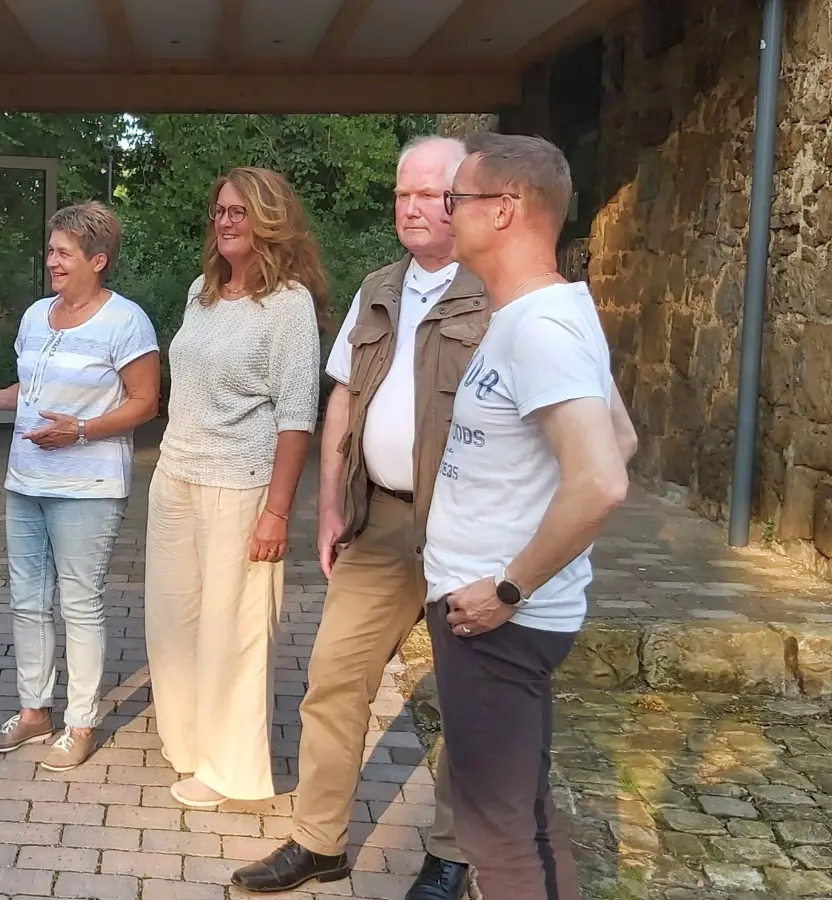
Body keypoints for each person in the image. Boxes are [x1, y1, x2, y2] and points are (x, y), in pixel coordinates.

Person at [232, 136, 481, 898]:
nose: (410, 207)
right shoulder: (380, 287)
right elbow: (342, 394)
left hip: (471, 528)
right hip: (382, 522)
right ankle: (319, 842)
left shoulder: (499, 293)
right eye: (402, 194)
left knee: (468, 697)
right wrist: (332, 503)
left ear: (465, 199)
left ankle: (452, 855)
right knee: (334, 677)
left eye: (427, 193)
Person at [424, 132, 634, 900]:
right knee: (519, 818)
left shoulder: (541, 327)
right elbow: (622, 435)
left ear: (504, 209)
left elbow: (602, 479)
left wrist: (509, 587)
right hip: (488, 608)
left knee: (499, 835)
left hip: (497, 619)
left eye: (455, 199)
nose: (444, 214)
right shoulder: (541, 314)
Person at [0, 202, 160, 771]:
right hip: (26, 480)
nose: (52, 262)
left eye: (64, 253)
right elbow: (33, 387)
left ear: (98, 259)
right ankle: (34, 711)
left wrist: (82, 430)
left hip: (87, 486)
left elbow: (146, 401)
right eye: (50, 251)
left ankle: (81, 722)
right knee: (27, 601)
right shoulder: (37, 316)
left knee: (79, 604)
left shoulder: (126, 321)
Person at [144, 167, 323, 810]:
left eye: (238, 211)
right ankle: (189, 744)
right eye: (219, 210)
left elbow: (297, 416)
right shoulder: (202, 291)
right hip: (175, 475)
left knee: (234, 631)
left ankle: (231, 770)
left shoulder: (290, 305)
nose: (224, 221)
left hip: (240, 484)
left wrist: (278, 512)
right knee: (173, 622)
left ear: (269, 220)